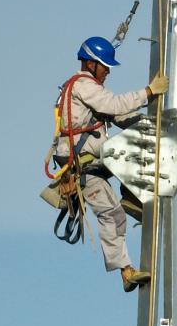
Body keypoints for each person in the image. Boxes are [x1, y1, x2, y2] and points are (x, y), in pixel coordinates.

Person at [50, 36, 168, 293]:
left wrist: (150, 123)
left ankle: (131, 197)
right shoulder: (84, 86)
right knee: (111, 213)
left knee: (131, 148)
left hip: (90, 163)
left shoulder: (83, 90)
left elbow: (118, 114)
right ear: (91, 63)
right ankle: (126, 270)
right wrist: (148, 93)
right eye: (105, 66)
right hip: (84, 165)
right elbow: (114, 105)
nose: (107, 71)